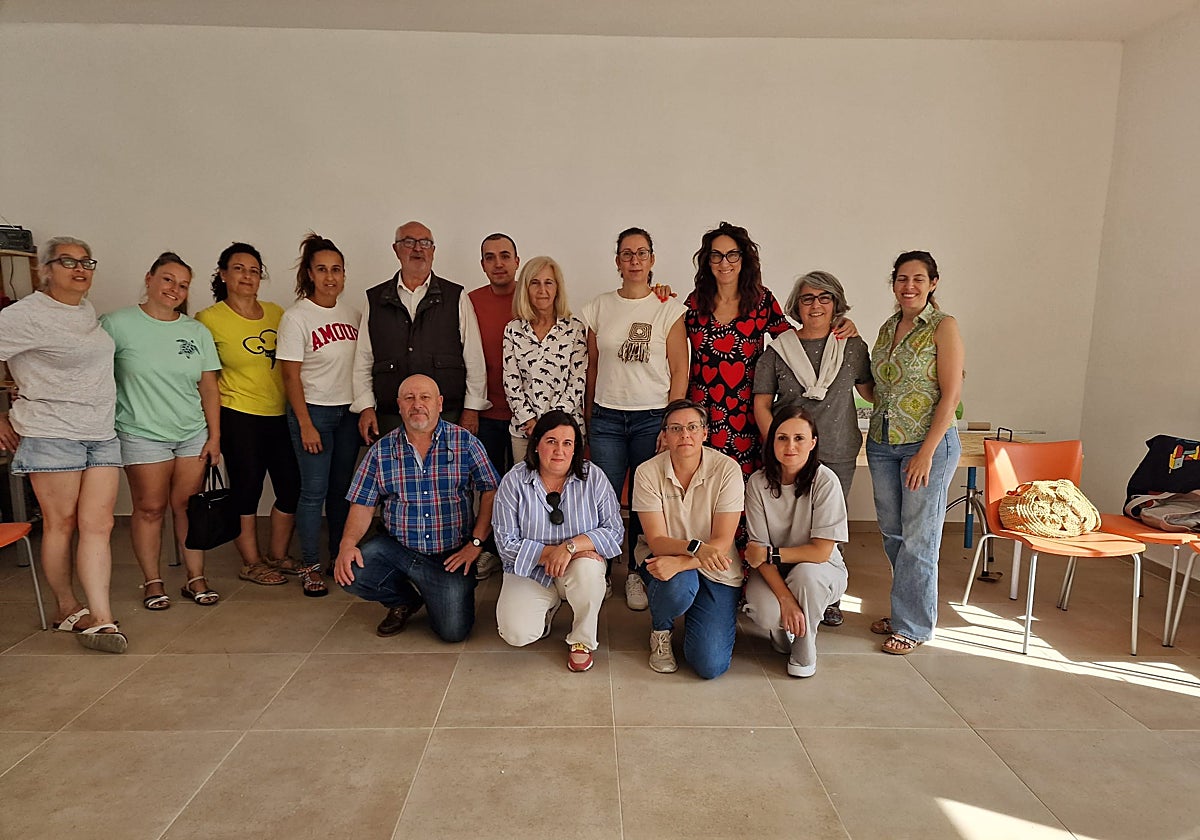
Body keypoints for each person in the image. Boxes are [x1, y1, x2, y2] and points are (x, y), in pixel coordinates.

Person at [0, 236, 126, 652]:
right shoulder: (24, 315)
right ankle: (67, 608)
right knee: (61, 524)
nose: (80, 269)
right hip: (51, 432)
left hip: (100, 432)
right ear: (45, 269)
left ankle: (102, 618)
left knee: (100, 524)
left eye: (86, 262)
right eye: (68, 261)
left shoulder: (86, 311)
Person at [334, 375, 499, 642]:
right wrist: (347, 544)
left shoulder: (464, 442)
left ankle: (435, 591)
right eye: (409, 398)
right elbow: (362, 503)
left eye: (425, 397)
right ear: (399, 405)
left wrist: (476, 543)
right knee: (351, 572)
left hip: (450, 556)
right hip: (398, 550)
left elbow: (492, 490)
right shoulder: (381, 451)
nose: (417, 404)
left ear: (439, 404)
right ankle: (404, 600)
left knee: (453, 632)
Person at [101, 252, 222, 610]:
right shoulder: (116, 324)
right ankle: (152, 581)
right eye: (168, 279)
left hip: (191, 432)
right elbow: (95, 375)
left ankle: (195, 577)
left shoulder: (196, 331)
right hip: (141, 432)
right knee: (150, 508)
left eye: (183, 285)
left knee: (188, 506)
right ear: (149, 278)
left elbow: (209, 387)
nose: (175, 289)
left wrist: (214, 436)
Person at [753, 270, 872, 627]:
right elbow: (761, 404)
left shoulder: (852, 346)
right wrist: (777, 445)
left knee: (829, 529)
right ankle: (785, 587)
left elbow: (871, 391)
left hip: (837, 449)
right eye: (807, 298)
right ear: (796, 305)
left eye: (824, 298)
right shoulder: (778, 351)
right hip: (789, 453)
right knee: (789, 524)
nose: (816, 305)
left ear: (836, 303)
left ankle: (828, 597)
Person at [581, 227, 688, 612]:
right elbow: (592, 367)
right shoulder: (598, 307)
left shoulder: (668, 308)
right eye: (627, 254)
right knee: (604, 499)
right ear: (617, 261)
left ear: (652, 259)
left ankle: (636, 572)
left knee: (645, 501)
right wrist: (588, 414)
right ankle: (604, 568)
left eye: (642, 253)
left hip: (652, 418)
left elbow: (680, 370)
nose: (634, 260)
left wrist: (670, 424)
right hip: (607, 417)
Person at [866, 251, 964, 655]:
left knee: (919, 539)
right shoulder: (888, 328)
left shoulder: (943, 326)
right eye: (902, 279)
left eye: (918, 279)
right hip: (882, 443)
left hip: (927, 444)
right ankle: (905, 609)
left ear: (933, 283)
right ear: (893, 283)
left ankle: (914, 626)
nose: (909, 286)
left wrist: (926, 453)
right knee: (893, 534)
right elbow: (876, 387)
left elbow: (951, 395)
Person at [195, 243, 300, 586]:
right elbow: (205, 380)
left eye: (254, 270)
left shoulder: (276, 313)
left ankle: (278, 555)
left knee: (291, 485)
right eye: (239, 269)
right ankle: (251, 563)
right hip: (238, 414)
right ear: (223, 274)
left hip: (278, 413)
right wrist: (214, 433)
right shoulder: (208, 320)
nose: (247, 276)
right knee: (247, 489)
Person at [492, 410, 623, 672]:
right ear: (536, 444)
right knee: (516, 634)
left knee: (588, 570)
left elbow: (615, 531)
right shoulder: (514, 480)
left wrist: (570, 548)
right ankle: (549, 605)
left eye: (567, 443)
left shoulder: (593, 476)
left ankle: (582, 640)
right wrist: (554, 553)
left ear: (575, 449)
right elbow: (505, 544)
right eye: (551, 441)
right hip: (530, 569)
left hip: (578, 565)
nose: (559, 450)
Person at [632, 399, 743, 678]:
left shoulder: (727, 470)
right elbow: (657, 540)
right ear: (664, 435)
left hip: (716, 568)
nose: (685, 435)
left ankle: (699, 610)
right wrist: (694, 550)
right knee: (678, 586)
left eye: (693, 427)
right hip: (666, 558)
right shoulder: (647, 472)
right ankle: (661, 630)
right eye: (676, 428)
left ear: (705, 433)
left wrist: (684, 562)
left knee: (710, 665)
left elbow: (722, 542)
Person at [276, 233, 361, 597]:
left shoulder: (353, 315)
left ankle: (339, 557)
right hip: (313, 413)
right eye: (322, 269)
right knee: (313, 492)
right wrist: (305, 423)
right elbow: (290, 376)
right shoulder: (296, 317)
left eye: (336, 270)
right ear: (309, 274)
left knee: (342, 491)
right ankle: (310, 565)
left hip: (348, 414)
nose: (330, 277)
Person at [351, 221, 487, 443]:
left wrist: (472, 408)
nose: (417, 248)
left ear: (433, 250)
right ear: (396, 249)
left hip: (447, 414)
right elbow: (364, 359)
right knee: (396, 467)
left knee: (447, 466)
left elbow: (473, 358)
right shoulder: (375, 299)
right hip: (391, 416)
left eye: (425, 243)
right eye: (408, 242)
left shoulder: (455, 296)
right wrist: (365, 407)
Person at [743, 406, 849, 678]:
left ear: (813, 443)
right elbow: (756, 553)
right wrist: (786, 600)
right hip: (773, 571)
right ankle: (780, 632)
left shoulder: (826, 481)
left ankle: (804, 645)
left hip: (821, 570)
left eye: (799, 438)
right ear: (772, 442)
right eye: (782, 438)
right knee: (766, 612)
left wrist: (770, 554)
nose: (790, 446)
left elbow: (820, 552)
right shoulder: (757, 483)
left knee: (806, 576)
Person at [684, 222, 790, 479]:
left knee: (743, 484)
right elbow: (665, 343)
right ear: (707, 261)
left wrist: (837, 325)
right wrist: (657, 295)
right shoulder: (694, 303)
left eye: (732, 254)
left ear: (744, 258)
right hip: (702, 412)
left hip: (746, 413)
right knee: (703, 482)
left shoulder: (762, 301)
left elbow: (792, 342)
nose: (724, 262)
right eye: (716, 255)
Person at [467, 233, 520, 580]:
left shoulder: (531, 295)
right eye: (490, 257)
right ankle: (487, 548)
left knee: (523, 486)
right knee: (488, 485)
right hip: (484, 410)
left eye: (504, 256)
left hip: (525, 415)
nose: (498, 263)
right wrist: (470, 408)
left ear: (517, 261)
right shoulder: (469, 301)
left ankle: (519, 550)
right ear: (482, 264)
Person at [501, 256, 587, 463]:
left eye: (548, 283)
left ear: (557, 288)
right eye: (535, 283)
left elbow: (577, 382)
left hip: (566, 432)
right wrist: (530, 420)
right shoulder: (513, 330)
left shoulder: (574, 329)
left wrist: (551, 425)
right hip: (525, 431)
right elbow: (511, 382)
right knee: (526, 483)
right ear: (525, 288)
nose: (542, 290)